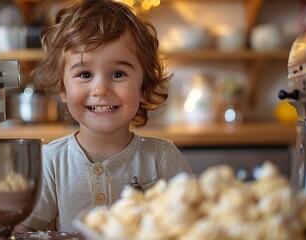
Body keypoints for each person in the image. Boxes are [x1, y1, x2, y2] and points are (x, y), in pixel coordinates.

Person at [14, 0, 192, 233]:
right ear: (63, 89)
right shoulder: (51, 162)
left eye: (118, 73)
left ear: (143, 85)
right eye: (85, 74)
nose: (101, 89)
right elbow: (22, 230)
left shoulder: (162, 158)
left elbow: (193, 222)